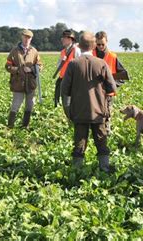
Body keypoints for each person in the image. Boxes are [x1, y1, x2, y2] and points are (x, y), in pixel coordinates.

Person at [61, 31, 117, 172]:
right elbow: (112, 87)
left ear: (79, 46)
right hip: (98, 112)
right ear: (93, 47)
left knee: (80, 141)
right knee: (101, 141)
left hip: (79, 111)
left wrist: (67, 109)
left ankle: (76, 170)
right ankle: (104, 168)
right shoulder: (102, 63)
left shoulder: (73, 64)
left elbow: (64, 89)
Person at [5, 29, 43, 129]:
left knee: (29, 106)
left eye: (29, 38)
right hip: (18, 83)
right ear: (22, 37)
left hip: (30, 84)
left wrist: (31, 69)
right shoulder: (14, 51)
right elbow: (8, 66)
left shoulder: (34, 51)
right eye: (25, 37)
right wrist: (18, 69)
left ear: (31, 39)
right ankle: (10, 127)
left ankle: (25, 126)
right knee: (15, 106)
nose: (26, 39)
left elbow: (40, 66)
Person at [93, 31, 129, 134]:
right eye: (98, 44)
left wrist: (113, 84)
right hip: (93, 91)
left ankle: (106, 132)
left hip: (107, 93)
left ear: (107, 42)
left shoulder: (112, 56)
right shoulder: (90, 55)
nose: (100, 46)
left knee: (107, 113)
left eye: (102, 44)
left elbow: (122, 75)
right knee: (93, 113)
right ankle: (95, 132)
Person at [54, 29, 81, 107]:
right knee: (63, 101)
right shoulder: (62, 51)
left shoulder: (76, 50)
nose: (62, 39)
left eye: (64, 38)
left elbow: (79, 66)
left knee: (69, 103)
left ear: (70, 39)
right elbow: (58, 65)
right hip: (62, 79)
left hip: (71, 80)